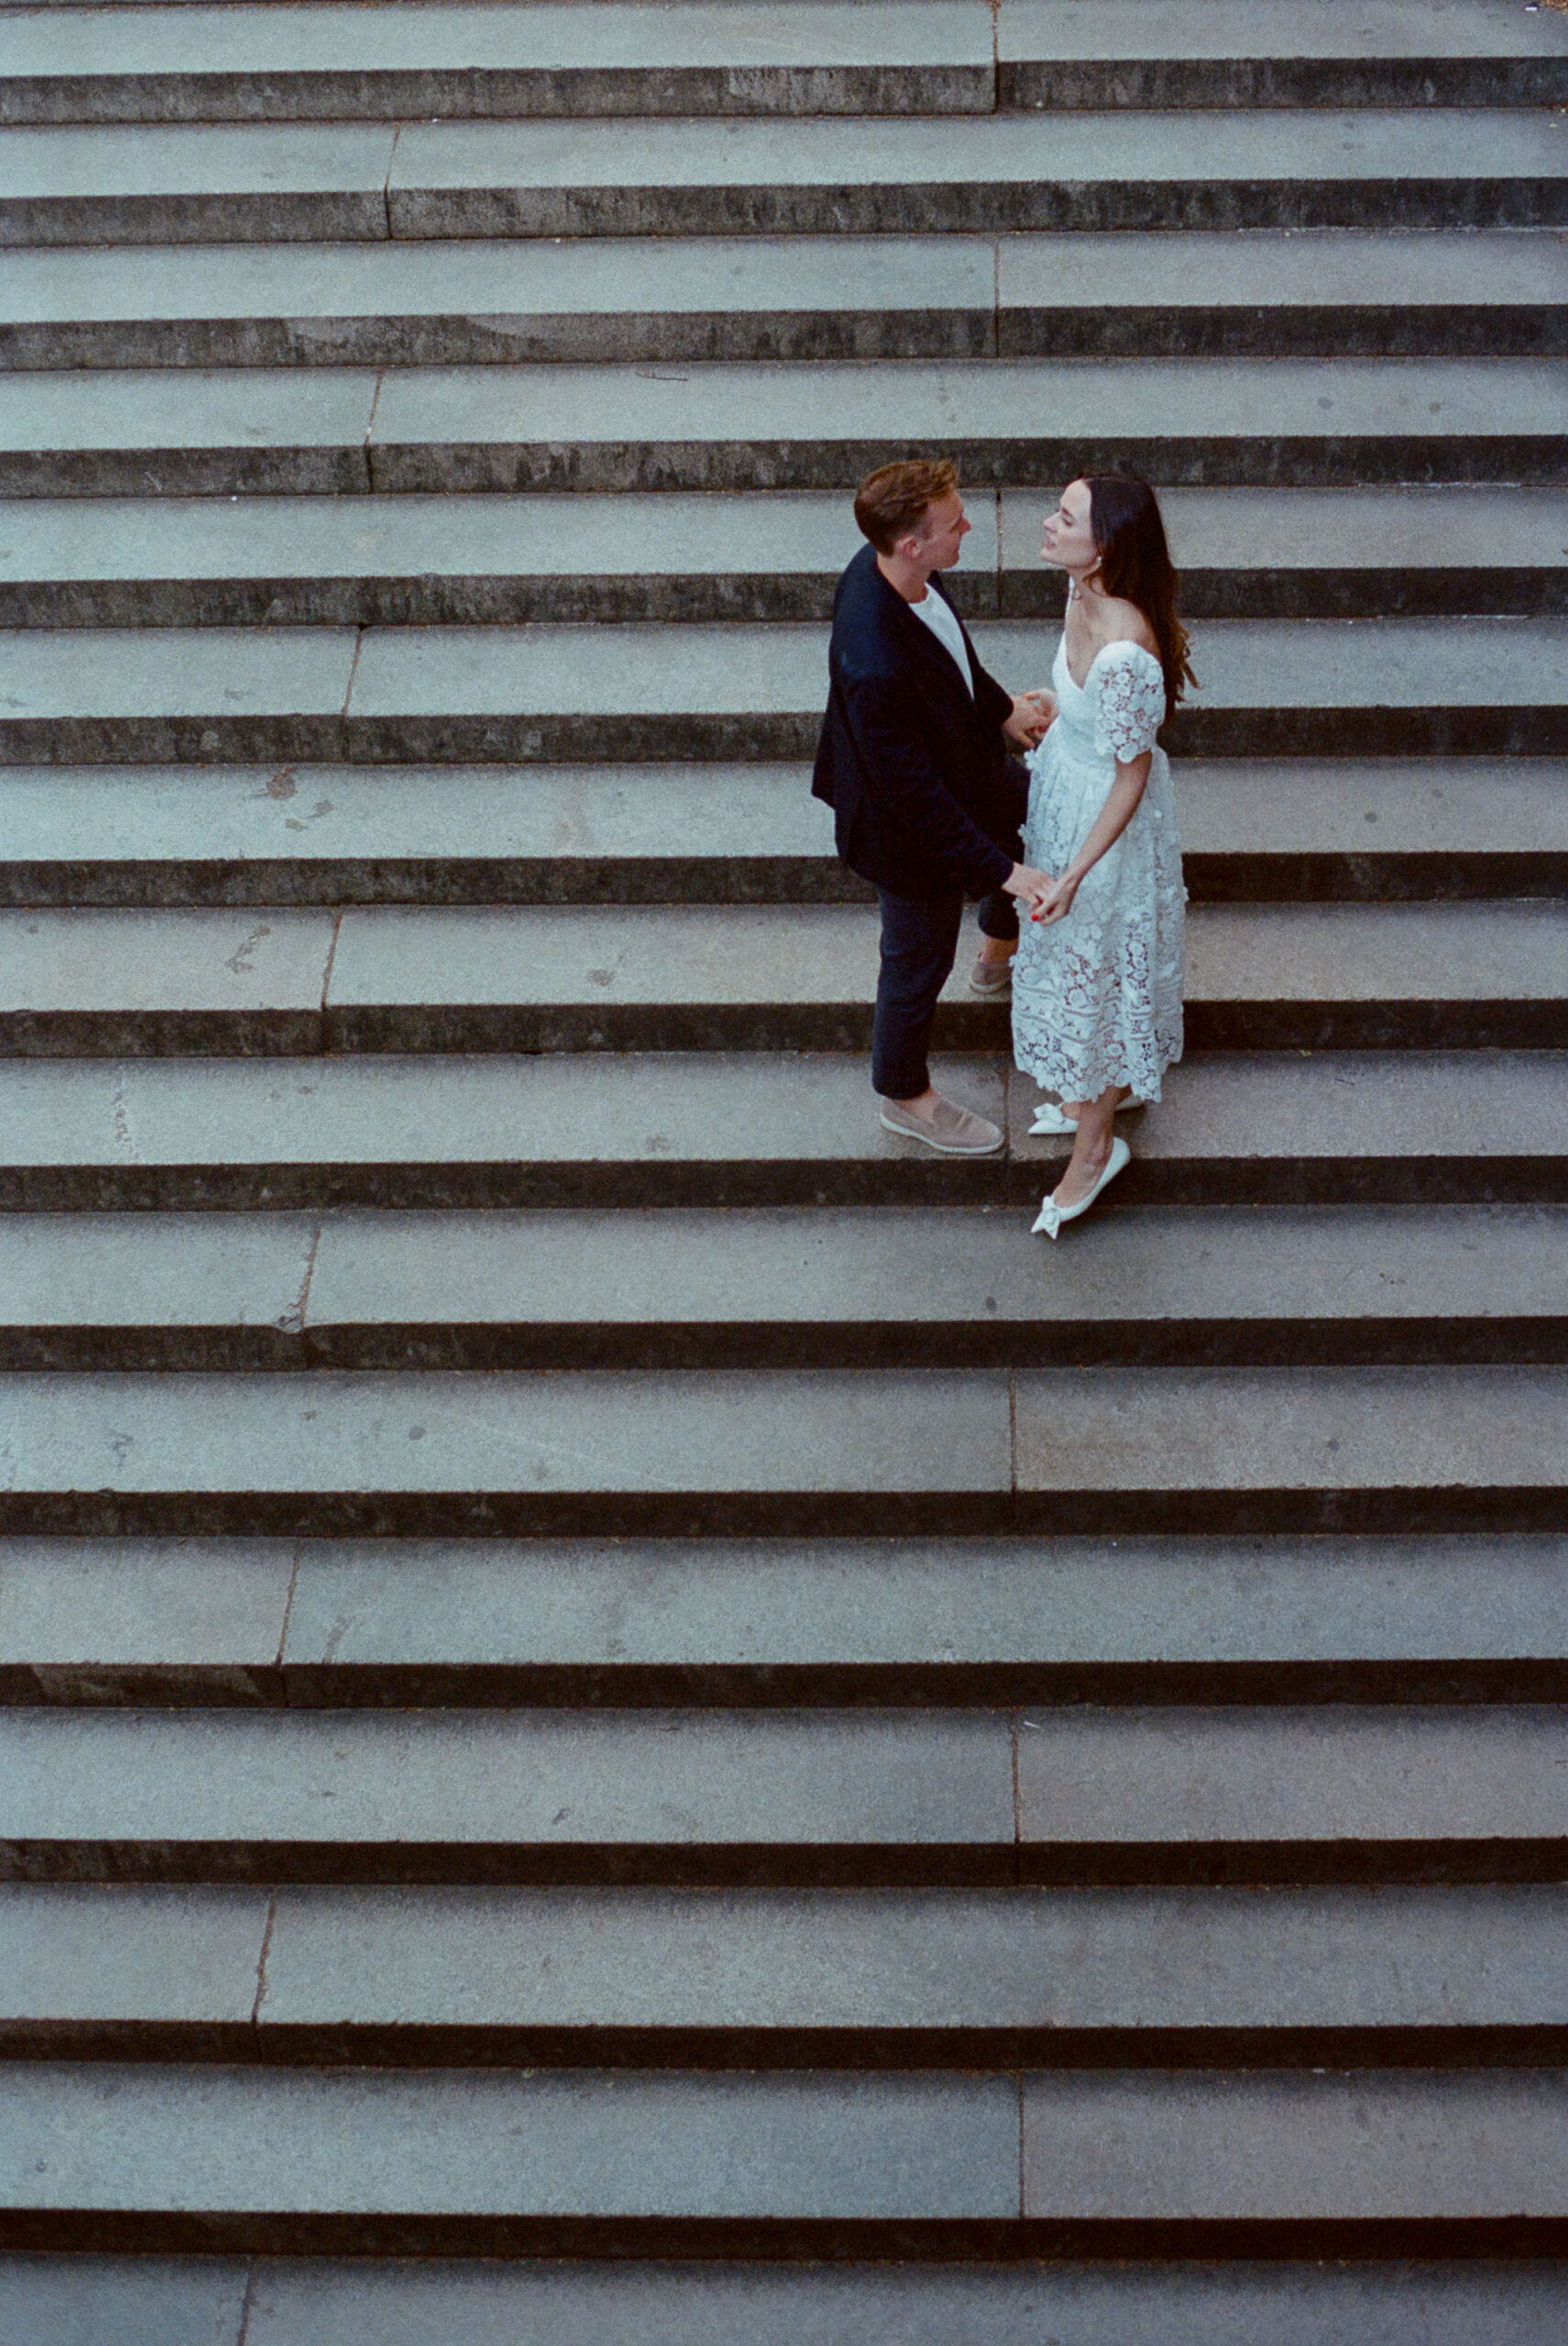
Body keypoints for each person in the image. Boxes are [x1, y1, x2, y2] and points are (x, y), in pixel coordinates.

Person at [812, 458, 1054, 1156]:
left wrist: (1002, 709)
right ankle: (903, 1093)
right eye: (954, 524)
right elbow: (913, 797)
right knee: (915, 961)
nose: (968, 528)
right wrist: (1002, 872)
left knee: (1033, 816)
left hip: (964, 763)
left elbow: (953, 660)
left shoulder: (901, 567)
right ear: (910, 544)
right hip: (902, 831)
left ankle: (996, 953)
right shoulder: (873, 658)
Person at [1012, 475, 1194, 1236]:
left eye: (1066, 516)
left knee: (1098, 958)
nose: (1048, 523)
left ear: (1105, 546)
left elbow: (1132, 772)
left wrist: (1077, 873)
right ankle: (1098, 1091)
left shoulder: (1125, 653)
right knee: (1068, 959)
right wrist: (1055, 716)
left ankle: (1096, 1148)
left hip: (1105, 827)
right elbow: (1089, 721)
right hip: (1062, 793)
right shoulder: (1076, 591)